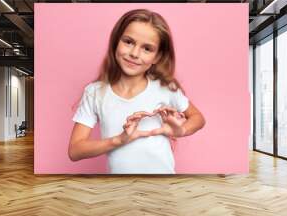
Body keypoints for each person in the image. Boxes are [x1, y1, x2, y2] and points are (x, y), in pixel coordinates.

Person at [68, 9, 205, 174]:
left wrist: (180, 130)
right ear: (116, 42)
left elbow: (198, 118)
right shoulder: (94, 92)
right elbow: (75, 150)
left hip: (163, 186)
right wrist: (119, 139)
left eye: (147, 49)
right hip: (119, 190)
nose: (134, 53)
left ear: (157, 57)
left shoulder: (165, 88)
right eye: (128, 42)